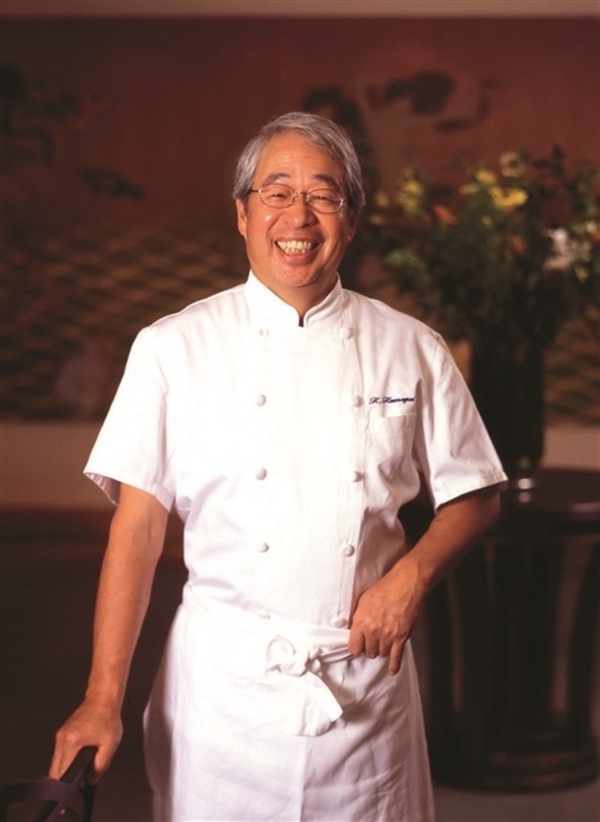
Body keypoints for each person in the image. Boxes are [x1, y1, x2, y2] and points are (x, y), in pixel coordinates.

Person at [50, 111, 506, 821]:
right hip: (223, 696)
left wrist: (410, 578)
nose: (299, 216)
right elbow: (137, 533)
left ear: (351, 219)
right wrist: (100, 700)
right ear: (242, 214)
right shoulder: (172, 348)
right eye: (277, 192)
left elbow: (476, 493)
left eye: (323, 195)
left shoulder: (413, 347)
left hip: (363, 688)